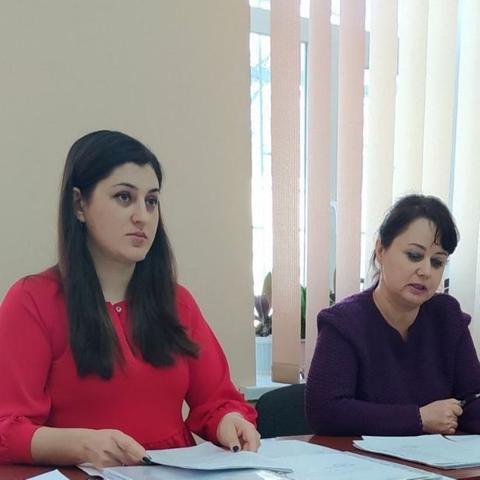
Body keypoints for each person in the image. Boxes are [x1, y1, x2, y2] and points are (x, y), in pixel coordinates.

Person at [0, 130, 260, 467]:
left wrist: (230, 421)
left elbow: (217, 400)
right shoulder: (33, 302)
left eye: (151, 201)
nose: (143, 216)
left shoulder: (177, 302)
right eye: (124, 197)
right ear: (79, 204)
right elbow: (7, 428)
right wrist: (81, 445)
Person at [306, 194, 480, 436]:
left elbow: (471, 401)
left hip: (434, 457)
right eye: (414, 256)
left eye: (437, 262)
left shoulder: (447, 316)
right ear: (380, 250)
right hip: (360, 458)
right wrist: (418, 418)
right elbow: (325, 412)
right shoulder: (344, 322)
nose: (426, 271)